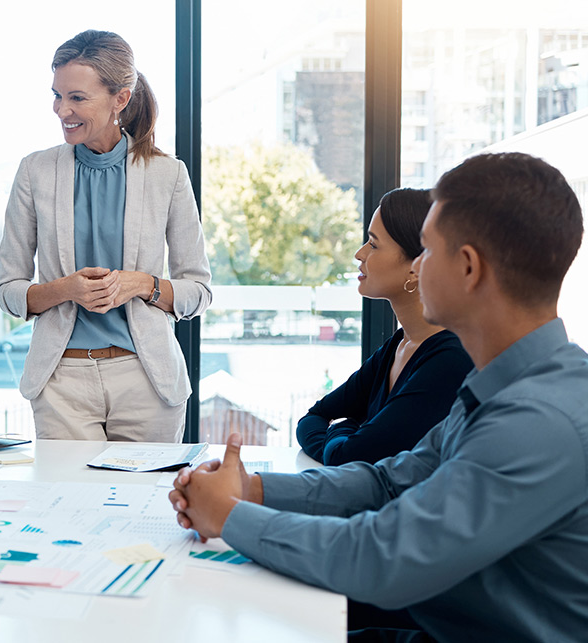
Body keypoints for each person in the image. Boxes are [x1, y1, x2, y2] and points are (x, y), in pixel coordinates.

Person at [169, 152, 588, 641]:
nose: (418, 263)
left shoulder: (537, 420)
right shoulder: (504, 382)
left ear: (469, 268)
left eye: (427, 250)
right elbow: (391, 483)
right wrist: (253, 489)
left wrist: (232, 517)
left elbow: (381, 558)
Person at [0, 29, 212, 442]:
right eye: (57, 95)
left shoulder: (168, 175)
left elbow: (198, 291)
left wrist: (141, 285)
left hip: (147, 380)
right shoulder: (34, 171)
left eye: (77, 97)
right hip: (62, 382)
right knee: (66, 504)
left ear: (121, 99)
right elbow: (8, 289)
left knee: (143, 505)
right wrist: (65, 290)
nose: (62, 110)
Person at [296, 189, 472, 465]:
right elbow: (312, 418)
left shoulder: (450, 360)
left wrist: (345, 428)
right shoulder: (400, 344)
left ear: (416, 267)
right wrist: (354, 431)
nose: (359, 253)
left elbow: (349, 457)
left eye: (373, 244)